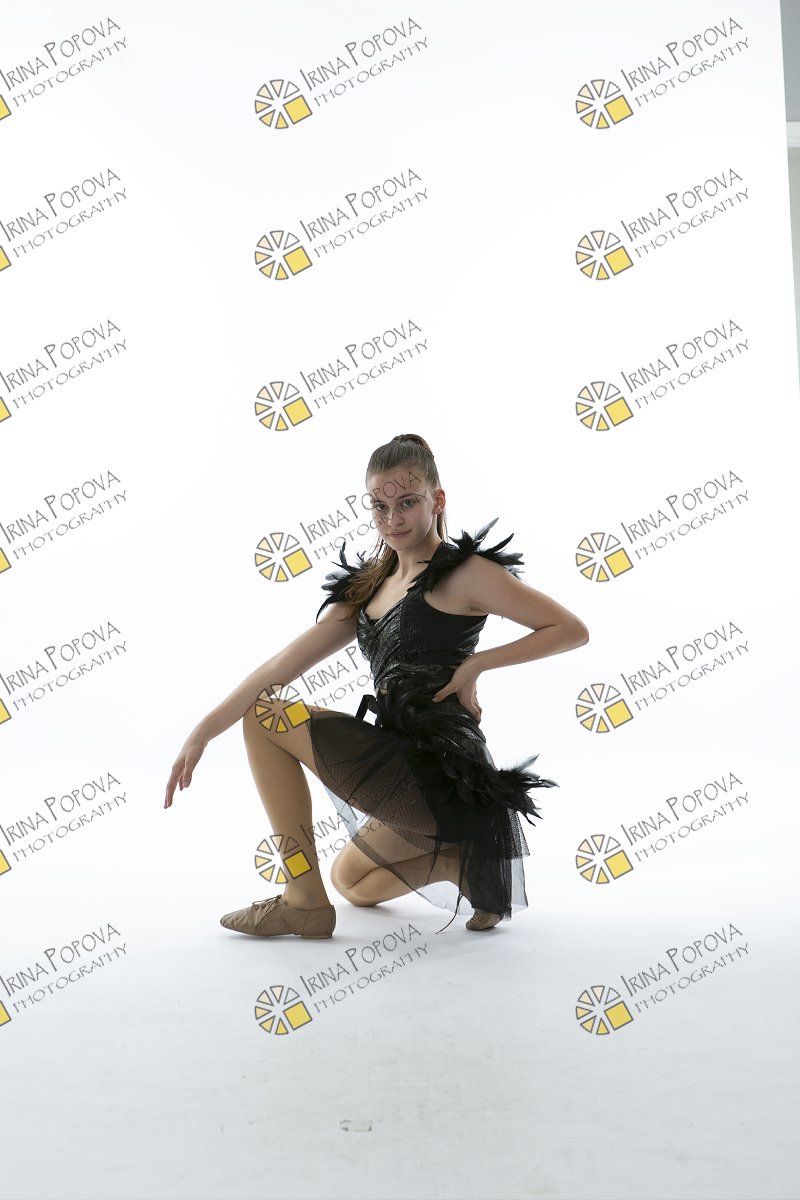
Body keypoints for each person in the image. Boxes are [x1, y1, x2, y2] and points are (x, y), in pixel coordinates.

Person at [164, 433, 589, 937]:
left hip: (441, 770)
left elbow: (570, 630)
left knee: (264, 719)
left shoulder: (465, 574)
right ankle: (459, 862)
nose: (393, 519)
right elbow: (281, 665)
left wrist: (476, 665)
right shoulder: (369, 586)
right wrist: (203, 731)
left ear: (437, 500)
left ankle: (302, 901)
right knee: (352, 883)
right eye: (379, 506)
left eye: (407, 502)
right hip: (398, 763)